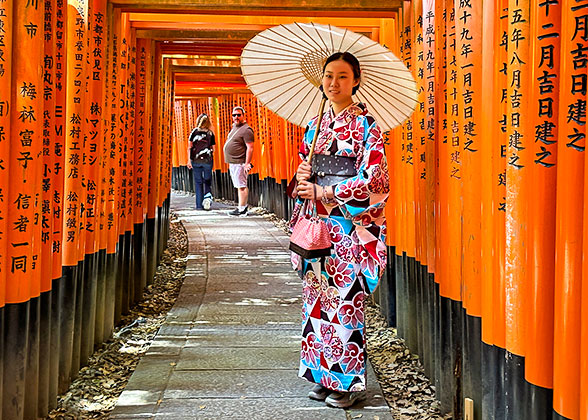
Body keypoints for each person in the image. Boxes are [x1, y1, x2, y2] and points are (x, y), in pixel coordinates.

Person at [291, 52, 389, 409]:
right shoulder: (313, 126)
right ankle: (321, 373)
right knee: (316, 300)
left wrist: (328, 191)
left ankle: (346, 382)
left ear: (356, 80)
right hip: (318, 226)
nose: (334, 83)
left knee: (345, 301)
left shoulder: (367, 127)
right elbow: (306, 174)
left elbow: (375, 180)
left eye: (343, 76)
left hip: (349, 227)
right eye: (329, 76)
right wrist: (304, 176)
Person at [223, 106, 254, 216]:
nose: (236, 117)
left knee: (241, 185)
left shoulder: (246, 130)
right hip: (233, 162)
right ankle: (241, 206)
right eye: (234, 115)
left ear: (243, 115)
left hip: (240, 162)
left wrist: (247, 163)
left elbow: (250, 147)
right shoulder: (235, 127)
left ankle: (243, 209)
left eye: (238, 115)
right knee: (238, 184)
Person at [187, 113, 215, 210]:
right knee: (207, 181)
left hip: (196, 160)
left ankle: (199, 205)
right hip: (207, 161)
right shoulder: (210, 133)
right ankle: (207, 199)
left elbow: (190, 147)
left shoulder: (194, 132)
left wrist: (189, 161)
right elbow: (212, 148)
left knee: (198, 182)